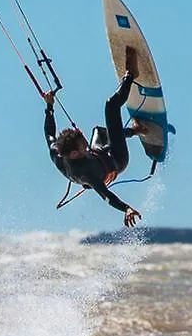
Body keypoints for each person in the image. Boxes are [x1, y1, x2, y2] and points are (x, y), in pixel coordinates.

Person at [44, 54, 146, 227]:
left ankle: (135, 130)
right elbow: (106, 196)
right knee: (111, 106)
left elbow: (49, 134)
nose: (86, 142)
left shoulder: (57, 152)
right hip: (116, 160)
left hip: (99, 154)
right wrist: (126, 209)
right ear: (75, 153)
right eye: (83, 143)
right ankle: (130, 74)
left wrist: (49, 106)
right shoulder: (85, 174)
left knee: (99, 131)